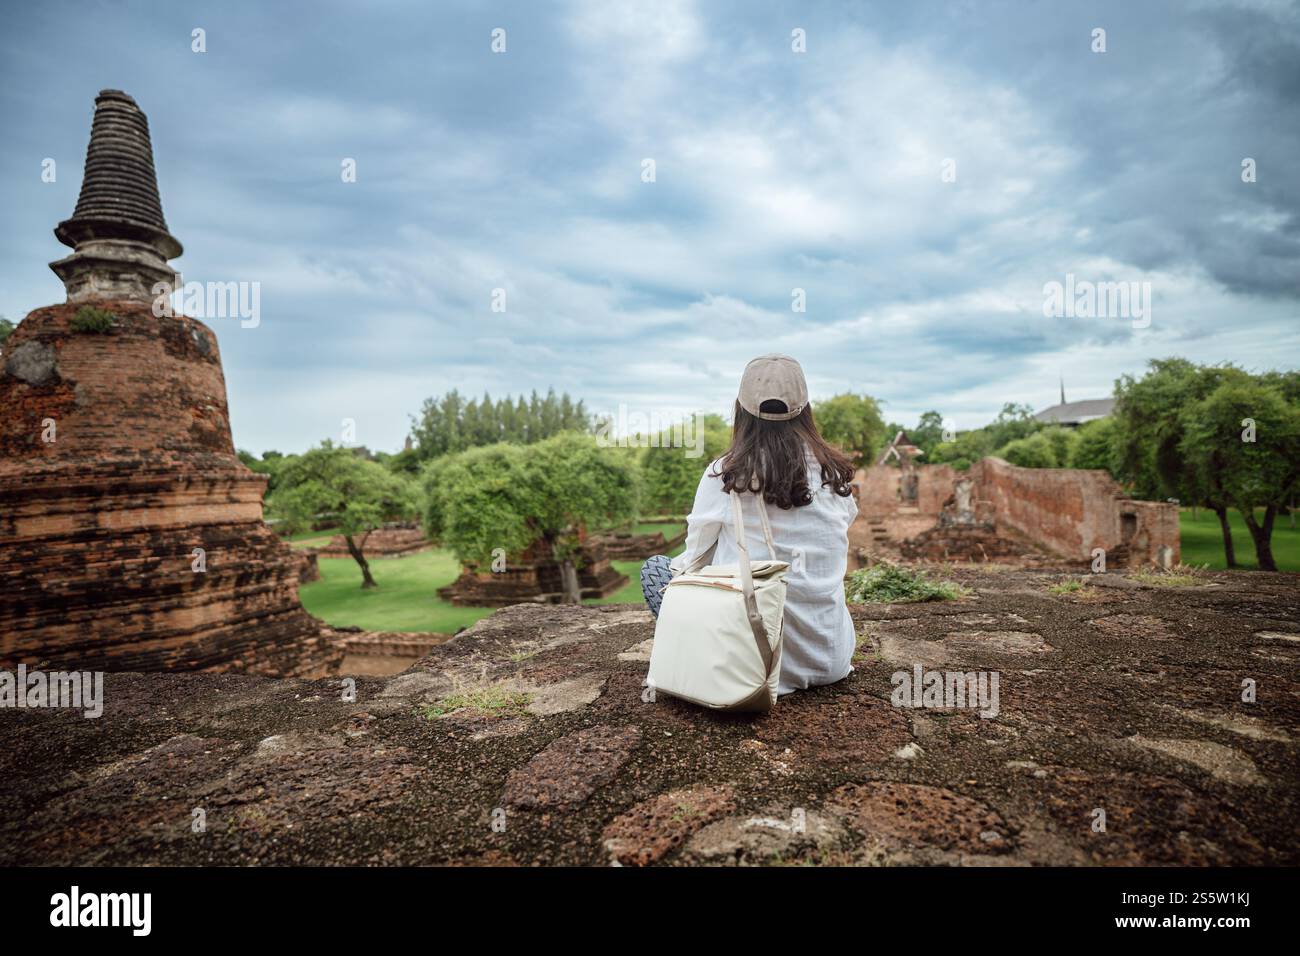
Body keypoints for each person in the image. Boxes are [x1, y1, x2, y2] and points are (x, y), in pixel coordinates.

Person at [640, 354, 859, 695]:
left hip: (750, 665)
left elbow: (693, 558)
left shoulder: (724, 475)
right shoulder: (834, 474)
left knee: (656, 570)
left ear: (741, 410)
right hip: (830, 660)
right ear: (805, 410)